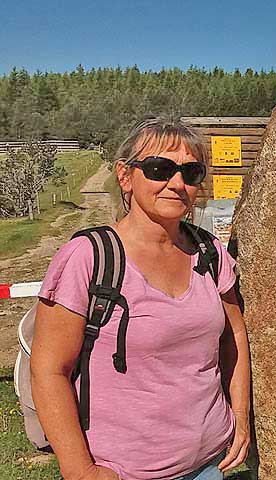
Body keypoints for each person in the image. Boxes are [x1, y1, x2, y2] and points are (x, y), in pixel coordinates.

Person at [30, 118, 251, 480]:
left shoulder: (209, 253)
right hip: (124, 471)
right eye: (159, 169)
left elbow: (234, 336)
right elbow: (49, 370)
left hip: (209, 464)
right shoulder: (89, 257)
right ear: (125, 176)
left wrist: (240, 417)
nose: (176, 183)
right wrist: (79, 471)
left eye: (190, 172)